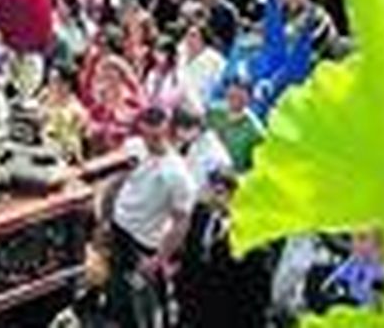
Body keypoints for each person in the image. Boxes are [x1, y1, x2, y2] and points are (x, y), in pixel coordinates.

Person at [108, 106, 197, 328]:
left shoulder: (178, 175)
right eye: (146, 135)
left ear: (167, 131)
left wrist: (158, 259)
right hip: (119, 231)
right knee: (118, 298)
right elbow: (117, 180)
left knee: (145, 311)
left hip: (143, 245)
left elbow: (181, 222)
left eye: (156, 136)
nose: (150, 142)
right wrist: (104, 217)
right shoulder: (134, 147)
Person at [175, 170, 271, 327]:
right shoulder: (201, 216)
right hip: (195, 310)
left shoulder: (251, 236)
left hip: (230, 314)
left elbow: (255, 292)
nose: (213, 197)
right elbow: (190, 257)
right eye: (211, 190)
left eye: (220, 192)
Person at [208, 77, 267, 173]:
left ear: (249, 99)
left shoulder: (256, 132)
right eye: (232, 94)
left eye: (241, 95)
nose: (235, 98)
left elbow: (255, 166)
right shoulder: (213, 111)